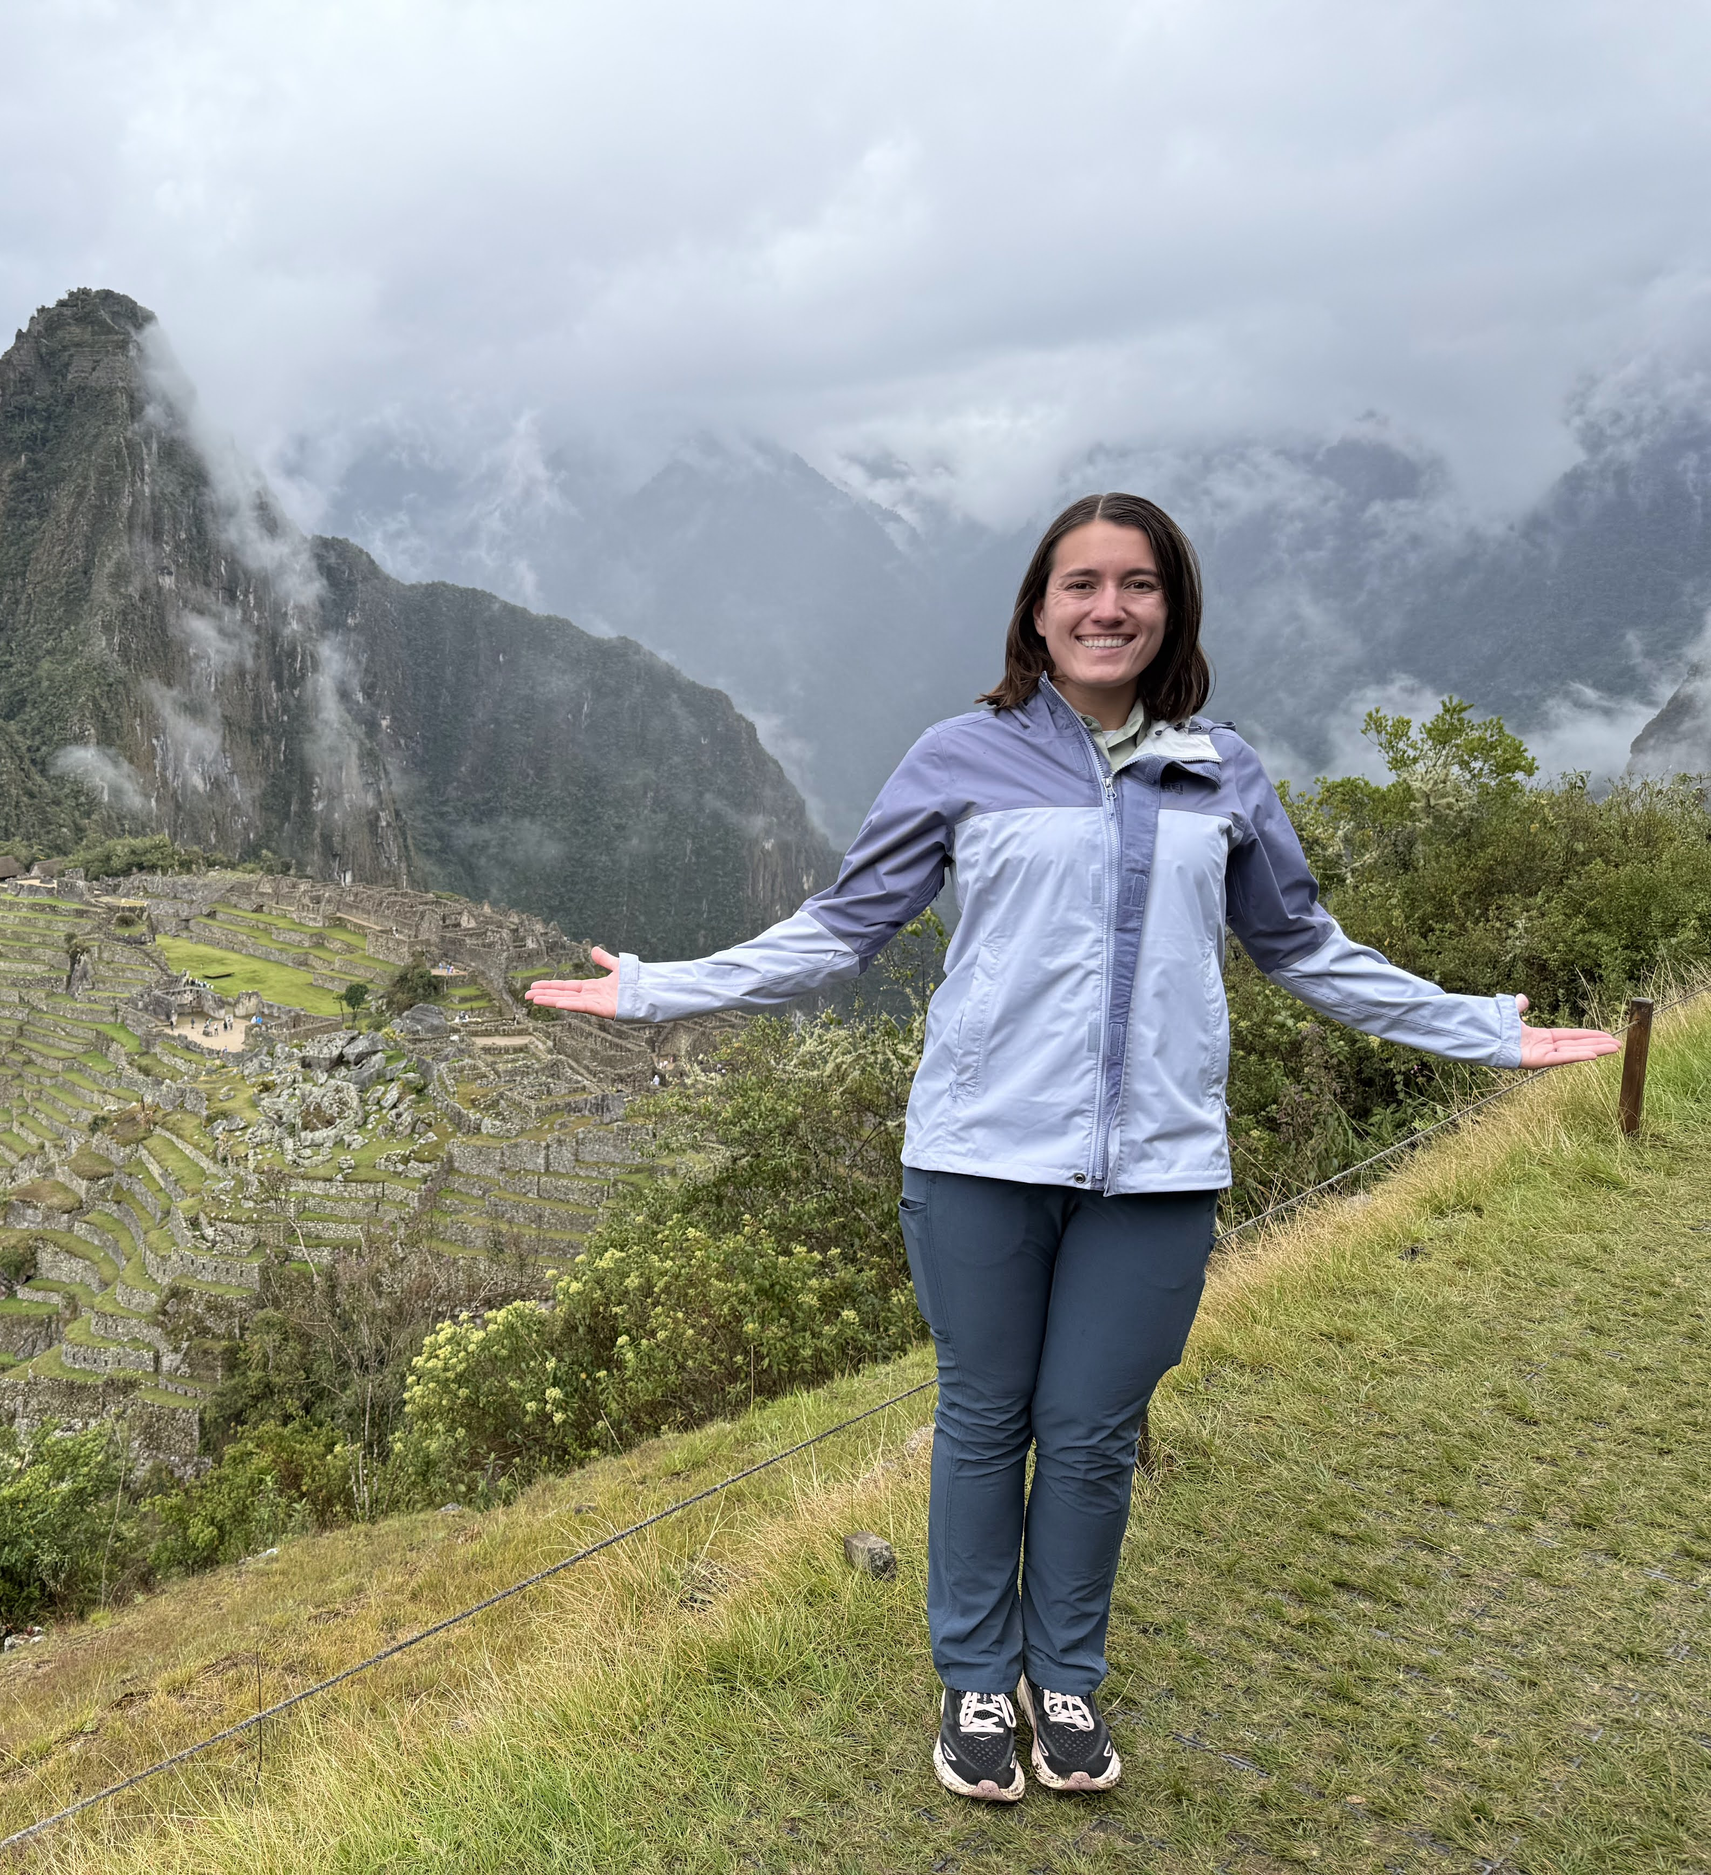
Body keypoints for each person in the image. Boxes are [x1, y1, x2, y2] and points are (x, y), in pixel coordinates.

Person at [526, 492, 1617, 1804]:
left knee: (1094, 1433)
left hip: (1157, 1170)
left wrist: (1484, 1030)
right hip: (980, 1156)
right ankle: (977, 1678)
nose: (1109, 607)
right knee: (986, 1420)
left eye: (1137, 583)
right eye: (1081, 584)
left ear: (1173, 609)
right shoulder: (961, 756)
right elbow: (840, 930)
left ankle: (1067, 1677)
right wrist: (659, 989)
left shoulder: (1221, 770)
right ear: (1038, 612)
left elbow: (1305, 949)